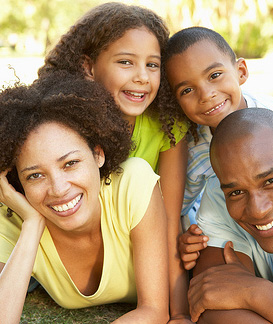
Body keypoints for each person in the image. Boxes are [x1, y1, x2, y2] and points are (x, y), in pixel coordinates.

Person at [38, 4, 190, 321]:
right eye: (125, 62)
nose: (141, 77)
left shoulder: (167, 128)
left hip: (143, 245)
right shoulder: (63, 125)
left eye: (153, 65)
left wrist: (179, 314)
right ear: (89, 67)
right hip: (78, 240)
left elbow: (170, 221)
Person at [0, 74, 169, 324]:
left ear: (98, 154)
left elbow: (155, 310)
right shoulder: (15, 219)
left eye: (70, 163)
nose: (58, 189)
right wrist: (32, 225)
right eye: (35, 175)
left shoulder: (132, 184)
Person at [164, 26, 273, 268]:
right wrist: (189, 237)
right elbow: (178, 208)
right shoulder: (195, 152)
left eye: (215, 75)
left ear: (241, 71)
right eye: (187, 90)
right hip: (242, 234)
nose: (206, 94)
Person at [188, 108, 273, 323]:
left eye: (270, 181)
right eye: (236, 192)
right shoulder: (218, 194)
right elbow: (212, 302)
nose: (258, 210)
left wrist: (256, 294)